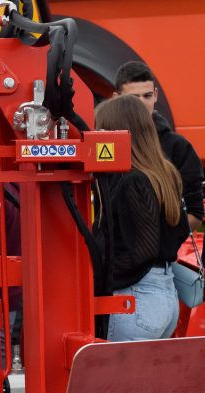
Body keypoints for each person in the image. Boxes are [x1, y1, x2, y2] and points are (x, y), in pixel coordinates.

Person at [94, 95, 189, 341]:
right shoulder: (165, 174)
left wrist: (101, 272)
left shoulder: (132, 180)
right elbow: (179, 231)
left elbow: (143, 250)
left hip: (135, 299)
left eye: (102, 129)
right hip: (165, 295)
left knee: (118, 380)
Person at [114, 61, 204, 231]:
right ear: (116, 98)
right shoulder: (102, 145)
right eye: (134, 98)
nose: (141, 104)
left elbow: (195, 213)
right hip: (111, 255)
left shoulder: (179, 148)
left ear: (155, 94)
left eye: (147, 96)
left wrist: (160, 243)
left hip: (161, 256)